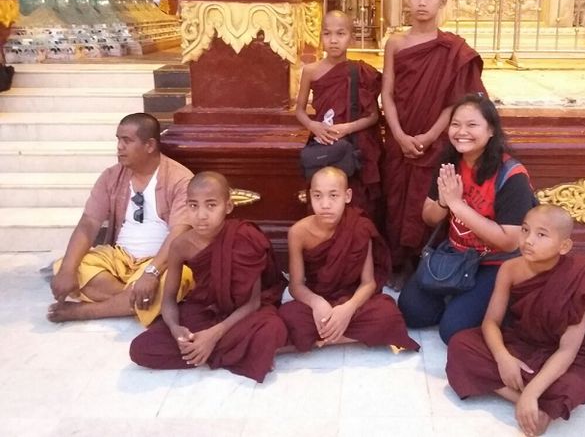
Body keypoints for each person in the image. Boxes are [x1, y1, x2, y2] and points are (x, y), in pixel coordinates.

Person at [446, 205, 585, 436]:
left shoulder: (578, 280)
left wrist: (532, 392)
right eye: (525, 230)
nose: (528, 240)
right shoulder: (509, 269)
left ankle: (531, 400)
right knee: (460, 344)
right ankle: (534, 407)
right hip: (522, 344)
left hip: (560, 357)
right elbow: (490, 322)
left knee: (578, 382)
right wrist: (503, 359)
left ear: (564, 246)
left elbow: (567, 351)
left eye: (541, 235)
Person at [398, 94, 537, 344]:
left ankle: (488, 301)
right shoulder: (450, 162)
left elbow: (509, 242)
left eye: (472, 125)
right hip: (456, 254)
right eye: (455, 124)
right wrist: (443, 201)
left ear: (491, 130)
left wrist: (457, 205)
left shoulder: (511, 175)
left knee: (452, 331)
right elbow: (429, 217)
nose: (462, 132)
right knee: (412, 312)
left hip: (495, 262)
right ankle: (463, 298)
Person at [129, 172, 288, 382]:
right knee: (140, 349)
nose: (201, 215)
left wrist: (213, 335)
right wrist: (176, 330)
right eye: (194, 206)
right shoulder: (180, 246)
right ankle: (236, 351)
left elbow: (253, 303)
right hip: (207, 309)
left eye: (211, 205)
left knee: (272, 328)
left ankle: (208, 350)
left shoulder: (245, 237)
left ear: (228, 207)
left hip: (243, 314)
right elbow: (168, 299)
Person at [381, 0, 487, 279]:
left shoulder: (451, 49)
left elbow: (455, 101)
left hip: (434, 138)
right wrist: (399, 134)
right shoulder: (396, 43)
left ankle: (423, 263)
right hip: (399, 136)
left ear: (443, 1)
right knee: (395, 199)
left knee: (423, 200)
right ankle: (398, 263)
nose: (422, 3)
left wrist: (429, 135)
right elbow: (387, 92)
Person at [48, 113, 194, 325]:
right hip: (118, 258)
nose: (119, 147)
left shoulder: (179, 179)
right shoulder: (111, 176)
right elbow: (88, 224)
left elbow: (180, 232)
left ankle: (87, 311)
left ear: (150, 145)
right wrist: (68, 270)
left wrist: (151, 273)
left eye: (127, 140)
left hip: (159, 262)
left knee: (177, 279)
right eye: (118, 139)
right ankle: (136, 301)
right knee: (67, 264)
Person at [279, 166, 419, 352]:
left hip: (353, 301)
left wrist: (348, 309)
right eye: (318, 196)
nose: (325, 204)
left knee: (388, 314)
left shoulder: (360, 226)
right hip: (319, 303)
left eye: (333, 195)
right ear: (309, 196)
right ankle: (343, 335)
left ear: (347, 196)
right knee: (287, 315)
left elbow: (368, 283)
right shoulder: (298, 232)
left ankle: (324, 338)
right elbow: (295, 285)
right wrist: (316, 303)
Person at [295, 10, 383, 219]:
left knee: (356, 206)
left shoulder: (361, 71)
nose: (333, 40)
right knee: (324, 199)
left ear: (351, 37)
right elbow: (299, 110)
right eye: (327, 34)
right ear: (320, 37)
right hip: (325, 144)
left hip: (352, 146)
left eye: (340, 34)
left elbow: (373, 116)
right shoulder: (311, 71)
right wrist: (313, 126)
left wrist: (348, 128)